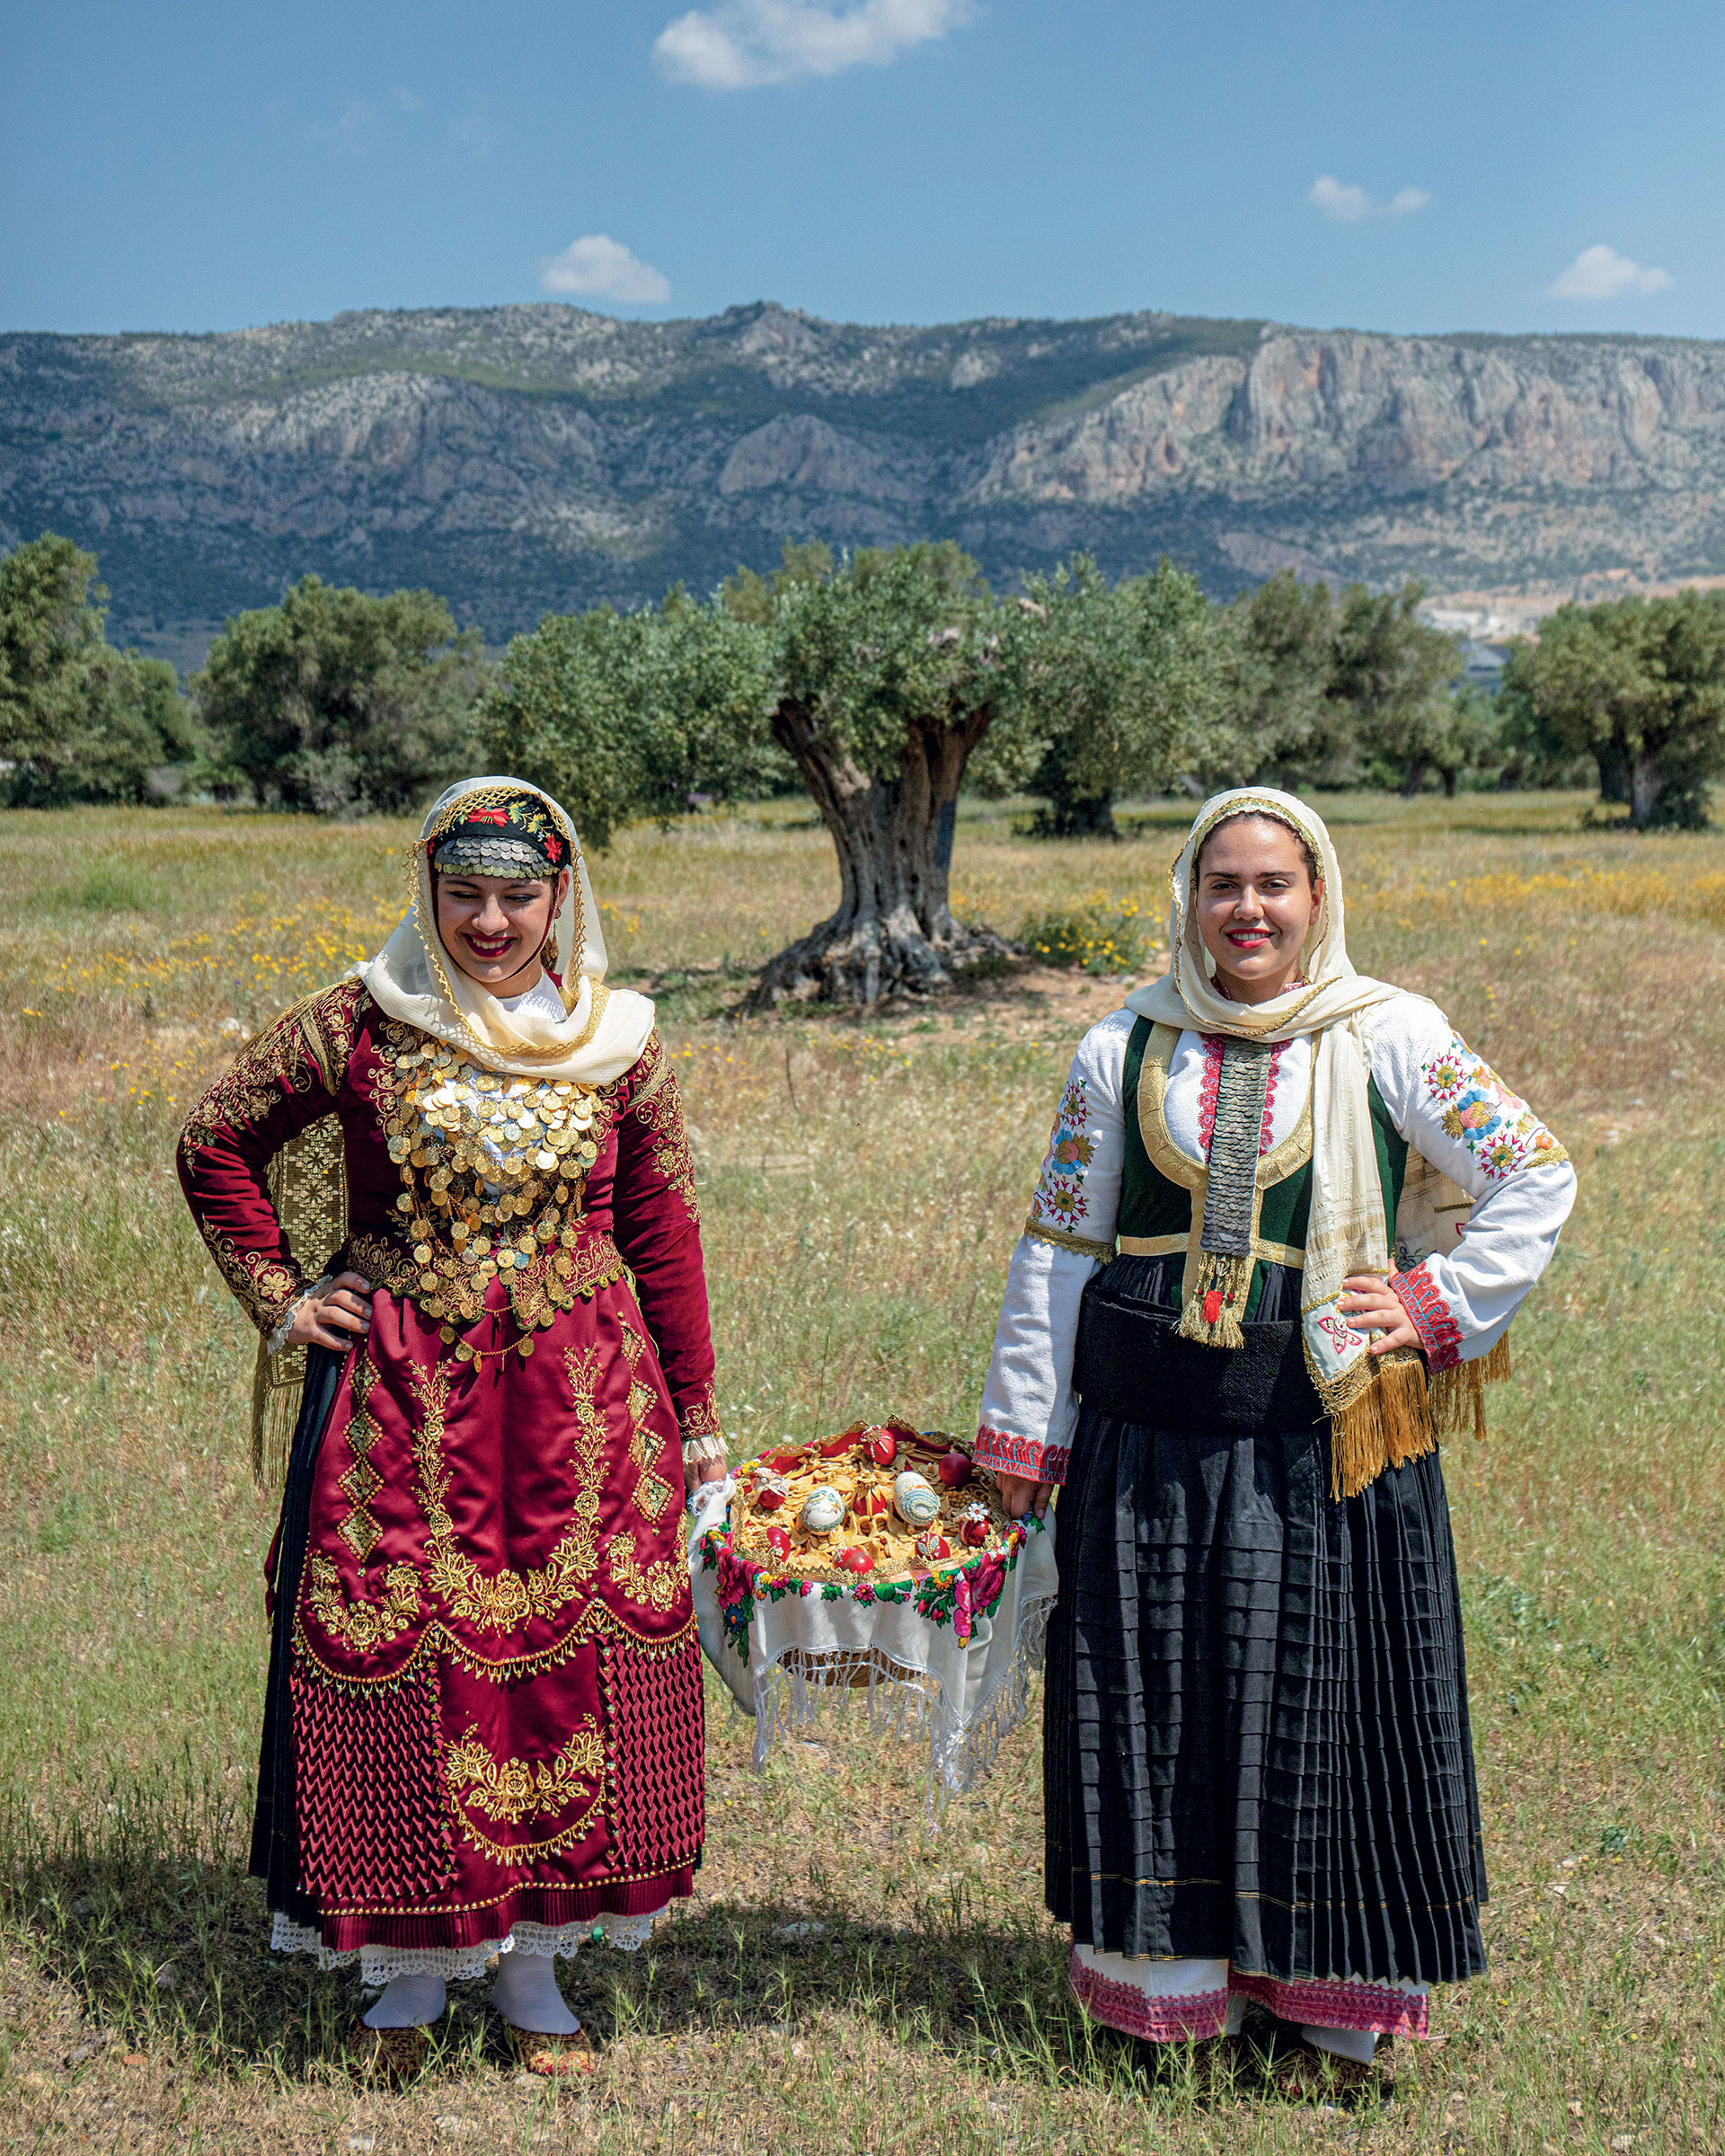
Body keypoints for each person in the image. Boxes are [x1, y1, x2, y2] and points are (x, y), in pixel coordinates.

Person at [975, 788, 1575, 2092]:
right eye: (1222, 885)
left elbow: (1534, 1169)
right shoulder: (1121, 1045)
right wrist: (1024, 1430)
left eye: (1273, 885)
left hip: (1324, 1440)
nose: (1247, 910)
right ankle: (1170, 2002)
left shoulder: (1389, 1033)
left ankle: (1333, 2022)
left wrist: (1436, 1303)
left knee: (1330, 1714)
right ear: (1189, 899)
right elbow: (1060, 1246)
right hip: (1147, 1442)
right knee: (1158, 1711)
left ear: (1319, 897)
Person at [177, 777, 727, 2080]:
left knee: (559, 1671)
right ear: (426, 891)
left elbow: (661, 1228)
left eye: (517, 896)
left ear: (561, 897)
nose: (490, 921)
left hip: (585, 1406)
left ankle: (535, 1973)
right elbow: (213, 1140)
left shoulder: (619, 1039)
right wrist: (282, 1296)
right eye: (464, 894)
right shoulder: (361, 1022)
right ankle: (409, 1976)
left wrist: (699, 1414)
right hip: (403, 1401)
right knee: (414, 1657)